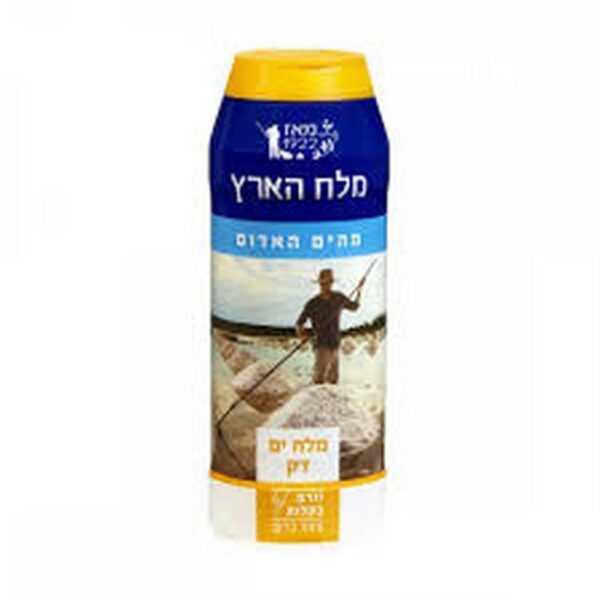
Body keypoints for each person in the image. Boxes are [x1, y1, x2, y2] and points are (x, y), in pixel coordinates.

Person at [296, 268, 364, 384]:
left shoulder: (338, 297)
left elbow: (354, 307)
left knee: (333, 381)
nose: (325, 285)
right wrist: (302, 336)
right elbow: (299, 323)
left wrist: (359, 290)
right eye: (323, 283)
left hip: (335, 344)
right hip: (320, 344)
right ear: (319, 284)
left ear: (331, 283)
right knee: (319, 380)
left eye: (328, 283)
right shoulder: (312, 303)